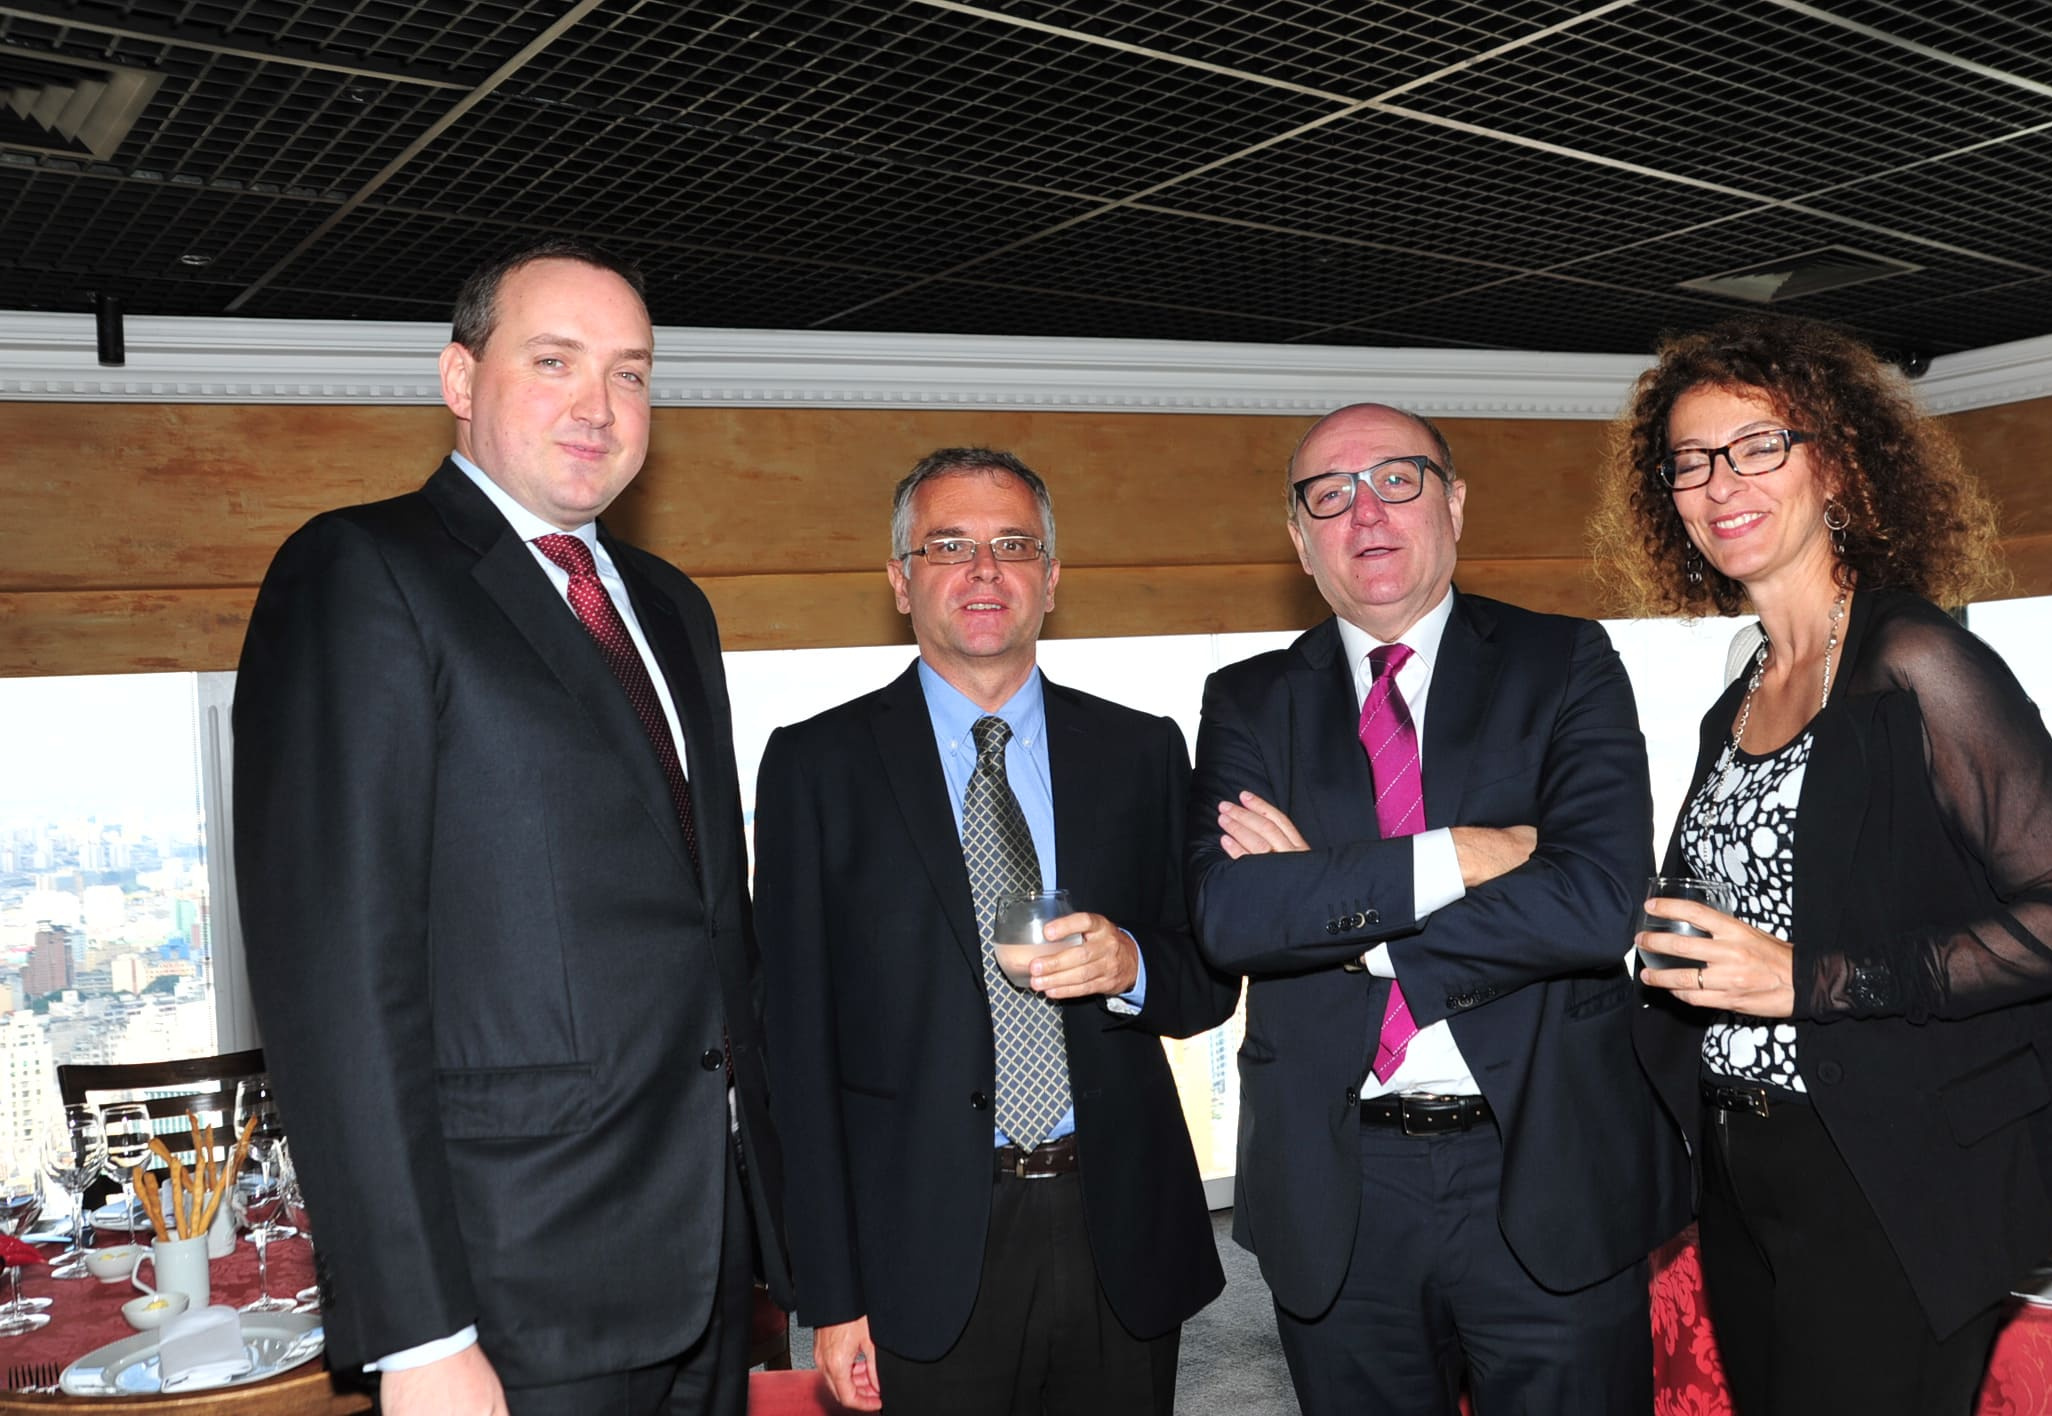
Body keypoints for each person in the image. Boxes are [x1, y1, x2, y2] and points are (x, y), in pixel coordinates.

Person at [233, 239, 788, 1416]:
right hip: (508, 1283)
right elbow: (337, 977)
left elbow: (706, 933)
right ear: (458, 378)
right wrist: (417, 1330)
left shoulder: (671, 606)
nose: (599, 406)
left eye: (629, 373)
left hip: (707, 1260)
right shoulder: (361, 571)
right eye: (554, 361)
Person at [1597, 313, 2052, 1416]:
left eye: (1758, 446)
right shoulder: (1737, 697)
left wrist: (1812, 978)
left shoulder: (1917, 659)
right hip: (1743, 1161)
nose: (1720, 483)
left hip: (1894, 1170)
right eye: (1690, 461)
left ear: (1836, 464)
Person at [1188, 404, 1689, 1414]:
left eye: (1396, 480)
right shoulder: (1247, 700)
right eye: (1329, 494)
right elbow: (1233, 919)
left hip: (1546, 1168)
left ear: (1453, 504)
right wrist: (1464, 853)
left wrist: (1341, 917)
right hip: (1339, 1192)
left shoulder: (1564, 661)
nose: (1364, 511)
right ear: (1299, 538)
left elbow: (1598, 903)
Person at [754, 447, 1236, 1415]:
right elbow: (793, 1057)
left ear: (1050, 579)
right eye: (948, 546)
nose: (984, 570)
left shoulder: (1141, 750)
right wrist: (832, 1297)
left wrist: (1133, 964)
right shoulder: (815, 767)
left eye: (1013, 545)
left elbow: (1205, 980)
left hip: (1119, 1230)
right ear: (901, 580)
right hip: (919, 1247)